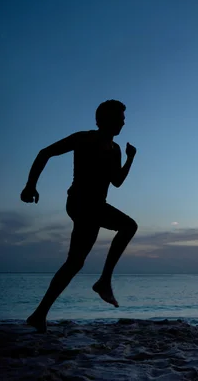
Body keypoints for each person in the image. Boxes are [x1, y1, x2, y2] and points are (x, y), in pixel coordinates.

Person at [20, 99, 138, 333]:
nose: (123, 123)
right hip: (81, 202)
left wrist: (130, 158)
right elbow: (46, 152)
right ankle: (104, 281)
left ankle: (39, 314)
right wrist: (30, 185)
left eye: (124, 119)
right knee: (128, 226)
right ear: (105, 119)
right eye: (119, 118)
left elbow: (116, 182)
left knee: (75, 262)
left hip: (96, 206)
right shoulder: (84, 138)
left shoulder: (114, 150)